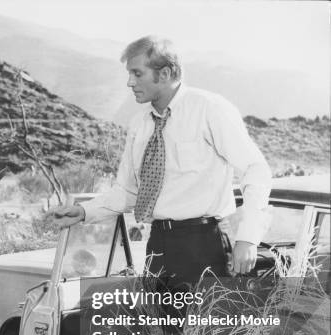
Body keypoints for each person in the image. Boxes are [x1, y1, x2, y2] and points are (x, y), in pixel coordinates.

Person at [51, 35, 271, 286]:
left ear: (164, 73)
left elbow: (256, 169)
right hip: (157, 246)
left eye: (137, 73)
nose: (129, 82)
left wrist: (248, 238)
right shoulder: (139, 124)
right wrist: (82, 212)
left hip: (205, 243)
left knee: (206, 325)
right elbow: (127, 192)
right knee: (158, 325)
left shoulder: (209, 109)